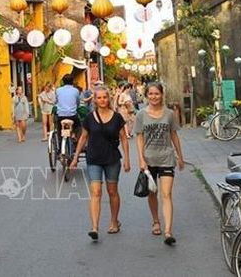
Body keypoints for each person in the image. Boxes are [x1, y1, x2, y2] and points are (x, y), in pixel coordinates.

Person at [71, 86, 130, 240]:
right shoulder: (89, 118)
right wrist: (76, 157)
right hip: (94, 159)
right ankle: (95, 227)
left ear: (108, 98)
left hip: (112, 159)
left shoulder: (117, 117)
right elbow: (83, 138)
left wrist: (127, 159)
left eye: (105, 97)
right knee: (96, 192)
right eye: (99, 98)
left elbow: (123, 138)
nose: (102, 100)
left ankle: (114, 221)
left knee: (112, 192)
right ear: (95, 100)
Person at [135, 81, 185, 246]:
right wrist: (141, 159)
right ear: (147, 95)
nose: (154, 97)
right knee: (152, 194)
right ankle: (156, 220)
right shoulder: (141, 114)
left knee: (166, 194)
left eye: (157, 94)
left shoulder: (169, 114)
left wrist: (180, 156)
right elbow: (139, 137)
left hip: (166, 158)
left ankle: (168, 230)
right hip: (149, 160)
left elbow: (174, 135)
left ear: (162, 95)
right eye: (151, 94)